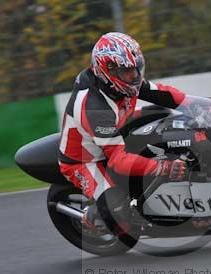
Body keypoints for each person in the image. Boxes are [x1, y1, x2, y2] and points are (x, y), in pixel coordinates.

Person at [58, 32, 187, 236]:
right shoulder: (93, 106)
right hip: (86, 160)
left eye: (136, 68)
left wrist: (194, 104)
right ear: (108, 72)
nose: (135, 76)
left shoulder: (125, 83)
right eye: (128, 71)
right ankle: (94, 215)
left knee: (162, 116)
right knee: (118, 212)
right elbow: (118, 161)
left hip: (116, 131)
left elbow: (162, 93)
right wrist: (161, 167)